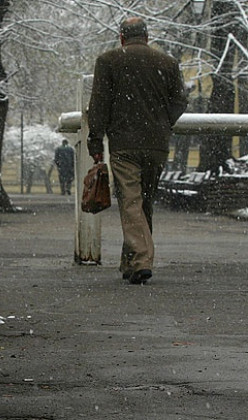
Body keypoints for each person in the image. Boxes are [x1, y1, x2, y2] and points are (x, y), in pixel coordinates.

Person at [87, 17, 188, 285]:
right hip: (156, 144)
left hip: (124, 144)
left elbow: (99, 104)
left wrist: (96, 142)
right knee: (144, 203)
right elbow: (180, 100)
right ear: (147, 36)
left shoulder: (108, 61)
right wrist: (163, 122)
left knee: (130, 203)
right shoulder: (167, 63)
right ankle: (131, 265)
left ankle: (142, 258)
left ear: (121, 37)